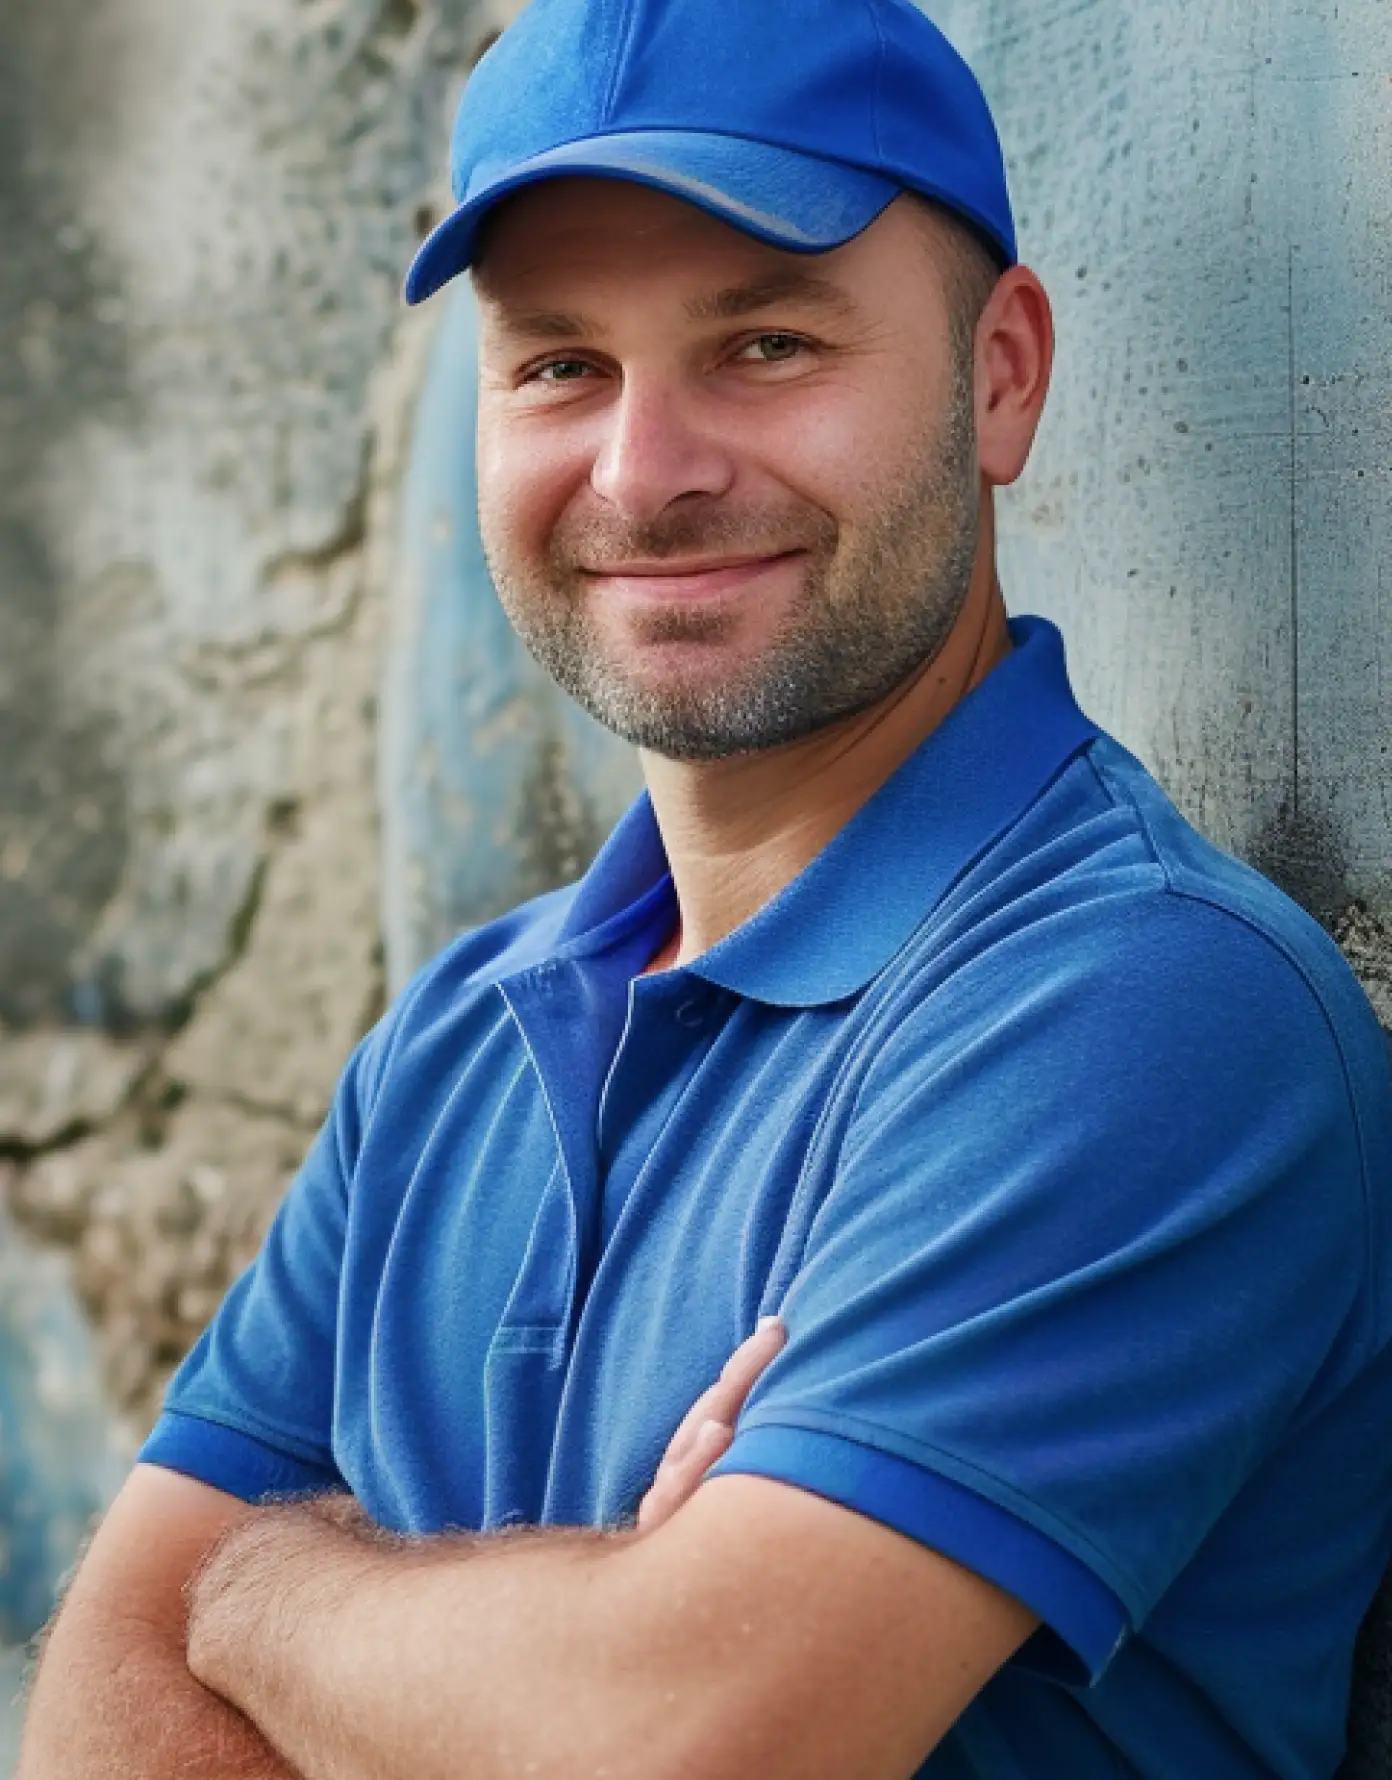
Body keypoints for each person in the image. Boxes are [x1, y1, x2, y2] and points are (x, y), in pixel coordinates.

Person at [20, 0, 1392, 1774]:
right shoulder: (448, 1046)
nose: (643, 470)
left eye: (762, 343)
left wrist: (261, 1594)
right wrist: (579, 1623)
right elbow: (95, 1725)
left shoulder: (1143, 1004)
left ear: (1001, 377)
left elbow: (681, 1743)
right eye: (558, 365)